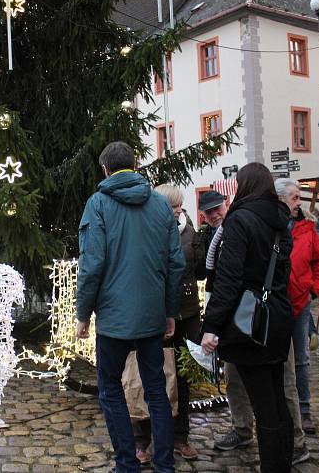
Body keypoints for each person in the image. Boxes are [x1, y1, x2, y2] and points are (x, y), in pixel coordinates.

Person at [76, 141, 185, 473]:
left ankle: (127, 463)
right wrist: (169, 310)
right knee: (156, 389)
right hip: (152, 316)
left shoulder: (98, 205)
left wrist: (83, 314)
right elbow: (175, 264)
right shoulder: (160, 206)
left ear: (105, 169)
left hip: (113, 320)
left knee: (111, 388)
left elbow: (92, 265)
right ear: (134, 166)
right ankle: (164, 464)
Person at [201, 162, 294, 473]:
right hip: (278, 315)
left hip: (249, 321)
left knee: (264, 405)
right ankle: (284, 460)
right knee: (277, 400)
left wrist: (211, 325)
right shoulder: (281, 219)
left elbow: (228, 280)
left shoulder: (241, 221)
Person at [132, 184, 203, 463]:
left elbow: (197, 270)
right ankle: (143, 440)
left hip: (186, 312)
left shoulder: (189, 230)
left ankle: (180, 436)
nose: (177, 210)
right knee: (151, 376)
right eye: (171, 205)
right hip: (155, 313)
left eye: (179, 205)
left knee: (183, 378)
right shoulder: (149, 232)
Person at [275, 178, 319, 435]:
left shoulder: (307, 229)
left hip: (300, 301)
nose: (298, 203)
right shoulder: (272, 225)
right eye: (294, 197)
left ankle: (304, 409)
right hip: (277, 301)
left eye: (299, 197)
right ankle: (281, 407)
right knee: (278, 356)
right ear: (281, 198)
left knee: (302, 359)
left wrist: (314, 287)